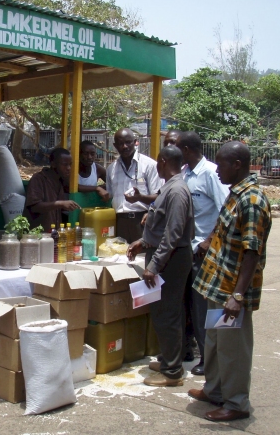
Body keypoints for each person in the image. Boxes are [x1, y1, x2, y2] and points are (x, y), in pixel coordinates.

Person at [188, 141, 272, 422]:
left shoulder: (252, 200)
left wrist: (237, 296)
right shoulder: (236, 194)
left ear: (237, 165)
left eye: (222, 164)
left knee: (233, 347)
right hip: (217, 285)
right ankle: (215, 390)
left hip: (230, 292)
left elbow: (252, 251)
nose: (217, 169)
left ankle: (236, 403)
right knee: (214, 341)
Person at [127, 145, 194, 387]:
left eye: (158, 162)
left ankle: (172, 372)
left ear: (163, 162)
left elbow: (173, 234)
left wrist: (154, 264)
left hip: (172, 260)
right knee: (163, 311)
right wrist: (143, 243)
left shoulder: (176, 191)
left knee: (168, 313)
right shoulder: (169, 188)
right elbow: (160, 228)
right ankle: (168, 359)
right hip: (165, 256)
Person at [175, 131, 229, 376]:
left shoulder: (211, 174)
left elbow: (226, 211)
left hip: (205, 252)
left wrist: (209, 240)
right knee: (193, 307)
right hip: (189, 249)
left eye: (177, 148)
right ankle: (203, 355)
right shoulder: (186, 174)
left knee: (204, 308)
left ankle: (211, 360)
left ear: (187, 149)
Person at [106, 128, 162, 244]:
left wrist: (150, 212)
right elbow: (110, 196)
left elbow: (158, 196)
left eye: (128, 142)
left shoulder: (149, 165)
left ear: (135, 142)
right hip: (119, 222)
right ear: (115, 146)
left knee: (142, 258)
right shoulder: (111, 169)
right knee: (121, 258)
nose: (125, 146)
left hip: (142, 220)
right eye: (120, 144)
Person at [24, 147, 80, 232]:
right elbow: (34, 207)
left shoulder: (61, 180)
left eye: (70, 164)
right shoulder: (38, 179)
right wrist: (60, 204)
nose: (68, 168)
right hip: (37, 235)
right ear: (53, 164)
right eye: (65, 164)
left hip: (53, 234)